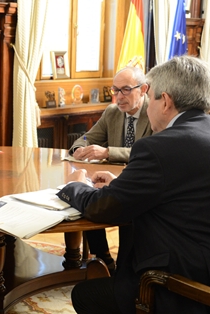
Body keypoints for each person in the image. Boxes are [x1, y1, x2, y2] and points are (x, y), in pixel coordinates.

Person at [58, 55, 210, 314]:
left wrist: (75, 185)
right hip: (201, 259)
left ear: (166, 102)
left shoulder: (159, 147)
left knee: (85, 294)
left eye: (149, 97)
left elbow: (103, 207)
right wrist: (122, 184)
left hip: (180, 282)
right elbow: (180, 191)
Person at [68, 66, 153, 272]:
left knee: (131, 212)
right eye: (115, 90)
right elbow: (89, 137)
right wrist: (80, 147)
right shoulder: (112, 112)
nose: (118, 97)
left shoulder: (154, 112)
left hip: (141, 182)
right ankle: (104, 258)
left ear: (143, 89)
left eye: (125, 90)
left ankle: (125, 267)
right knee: (87, 200)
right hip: (110, 180)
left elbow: (149, 153)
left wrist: (108, 152)